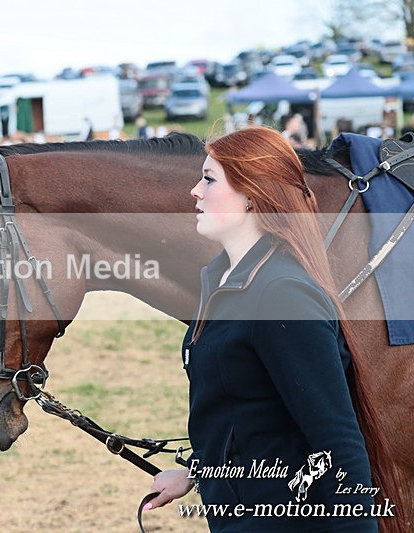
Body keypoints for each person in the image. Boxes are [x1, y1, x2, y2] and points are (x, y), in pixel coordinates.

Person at [144, 127, 407, 532]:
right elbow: (253, 416)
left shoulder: (282, 296)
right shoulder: (223, 282)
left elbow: (338, 444)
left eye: (209, 179)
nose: (195, 191)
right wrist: (196, 472)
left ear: (252, 195)